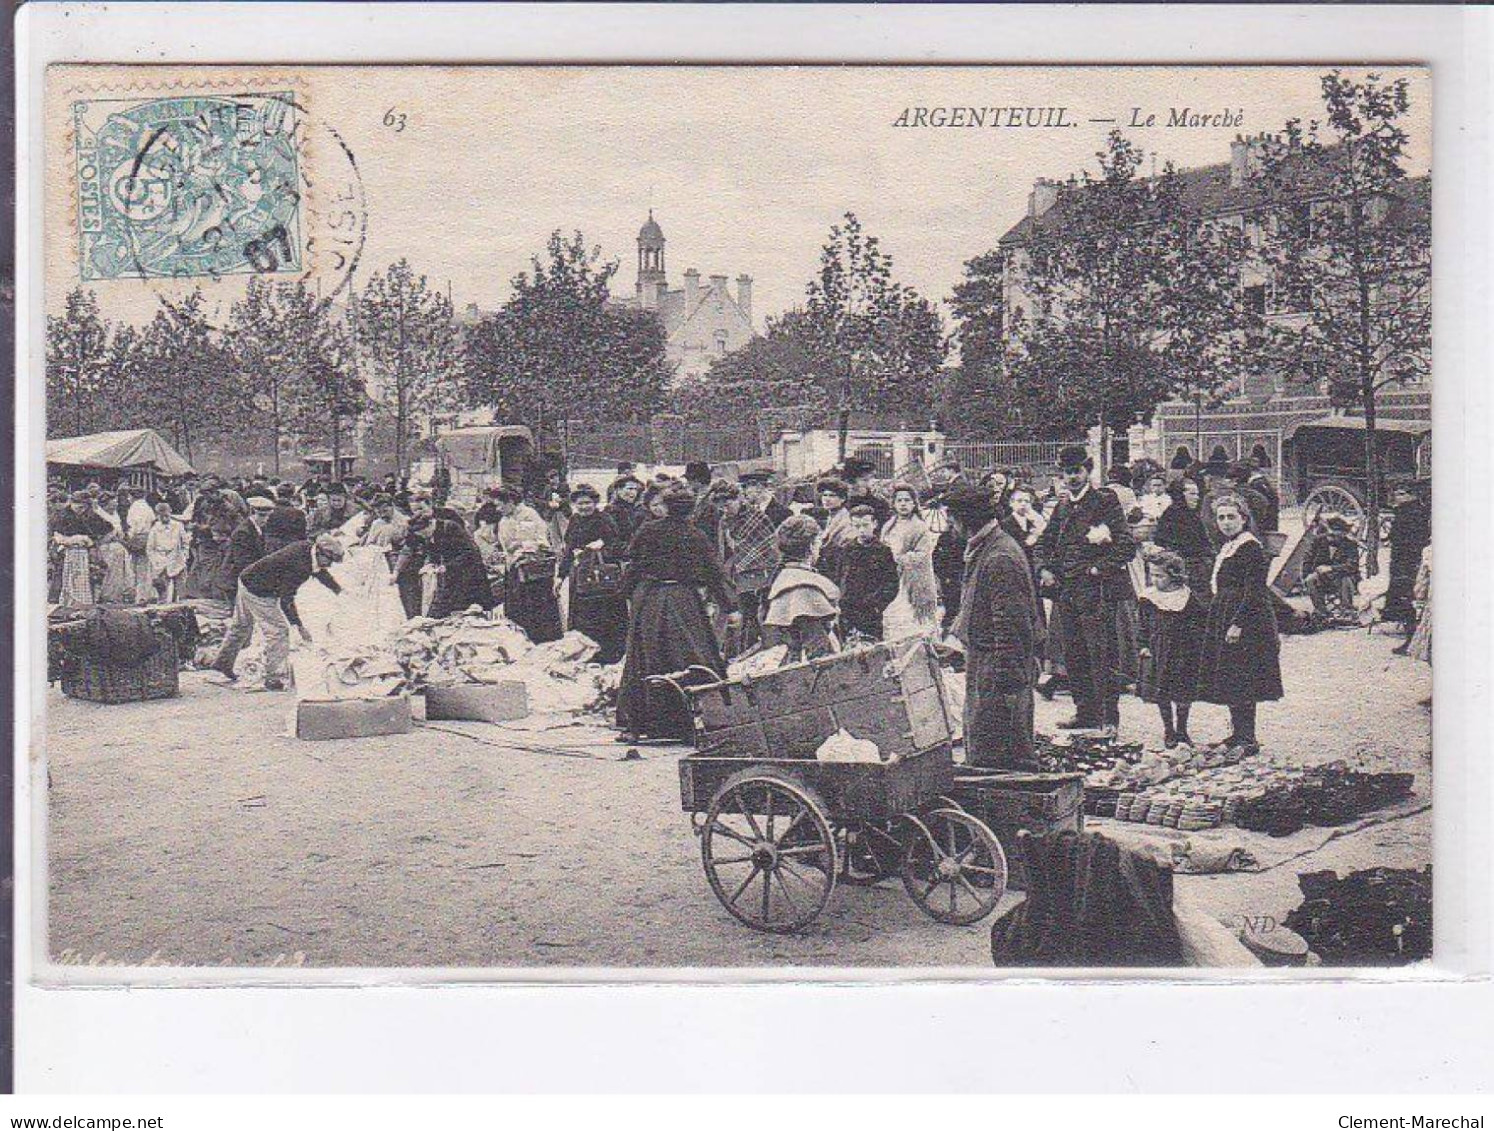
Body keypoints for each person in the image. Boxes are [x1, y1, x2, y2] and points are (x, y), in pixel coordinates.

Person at [616, 482, 736, 742]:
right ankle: (693, 720)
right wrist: (730, 605)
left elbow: (634, 566)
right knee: (692, 655)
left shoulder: (648, 530)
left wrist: (623, 595)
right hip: (683, 600)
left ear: (667, 508)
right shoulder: (695, 535)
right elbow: (713, 572)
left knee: (646, 656)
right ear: (690, 511)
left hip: (650, 599)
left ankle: (643, 722)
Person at [1035, 445, 1135, 738]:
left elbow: (1125, 546)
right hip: (1068, 593)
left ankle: (1109, 718)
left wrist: (1097, 569)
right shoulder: (1063, 507)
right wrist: (1044, 568)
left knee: (1102, 654)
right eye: (1067, 473)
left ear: (1088, 471)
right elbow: (1043, 543)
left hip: (1098, 593)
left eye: (1077, 471)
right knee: (1075, 654)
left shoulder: (1105, 502)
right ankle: (1085, 712)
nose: (1072, 478)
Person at [945, 484, 1041, 769]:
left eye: (952, 520)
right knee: (987, 745)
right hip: (986, 660)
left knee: (998, 751)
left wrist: (1003, 679)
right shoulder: (987, 547)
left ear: (965, 520)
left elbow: (1011, 625)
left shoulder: (999, 556)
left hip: (998, 666)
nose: (950, 526)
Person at [1194, 495, 1282, 754]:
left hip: (1246, 618)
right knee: (1232, 676)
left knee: (1244, 677)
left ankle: (1248, 738)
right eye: (1221, 517)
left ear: (1244, 518)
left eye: (1232, 517)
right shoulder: (1229, 546)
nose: (1226, 522)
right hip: (1227, 611)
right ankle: (1238, 733)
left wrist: (1237, 624)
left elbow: (1254, 591)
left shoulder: (1250, 548)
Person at [209, 534, 346, 691]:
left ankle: (222, 663)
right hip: (258, 591)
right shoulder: (300, 565)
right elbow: (286, 599)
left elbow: (319, 572)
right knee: (278, 631)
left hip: (248, 578)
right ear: (320, 553)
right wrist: (299, 626)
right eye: (329, 561)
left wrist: (339, 590)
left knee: (241, 625)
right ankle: (274, 678)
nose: (329, 566)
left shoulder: (306, 549)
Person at [1135, 546, 1206, 749]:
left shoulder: (1187, 598)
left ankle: (1182, 728)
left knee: (1183, 690)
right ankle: (1169, 730)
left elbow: (1199, 622)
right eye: (1152, 575)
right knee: (1162, 691)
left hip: (1183, 650)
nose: (1155, 580)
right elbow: (1142, 626)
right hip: (1158, 649)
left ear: (1174, 576)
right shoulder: (1148, 599)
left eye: (1160, 576)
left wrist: (1197, 644)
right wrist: (1143, 645)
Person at [556, 483, 627, 663]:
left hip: (602, 579)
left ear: (595, 503)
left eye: (587, 503)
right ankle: (586, 654)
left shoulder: (604, 519)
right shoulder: (574, 521)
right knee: (582, 618)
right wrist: (560, 576)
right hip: (580, 576)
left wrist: (601, 546)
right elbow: (569, 551)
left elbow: (619, 547)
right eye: (580, 504)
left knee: (605, 618)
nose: (584, 507)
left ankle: (609, 655)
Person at [712, 478, 781, 656]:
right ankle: (741, 653)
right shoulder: (724, 522)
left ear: (739, 499)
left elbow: (768, 545)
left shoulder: (757, 517)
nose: (725, 509)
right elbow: (724, 550)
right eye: (721, 506)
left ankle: (767, 651)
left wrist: (742, 560)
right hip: (738, 575)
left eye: (728, 504)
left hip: (762, 574)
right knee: (742, 617)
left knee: (761, 616)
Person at [762, 515, 841, 661]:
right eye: (818, 542)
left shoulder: (784, 578)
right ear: (811, 546)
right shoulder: (803, 587)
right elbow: (819, 648)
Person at [495, 484, 562, 643]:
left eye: (499, 504)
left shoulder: (528, 515)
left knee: (536, 608)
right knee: (516, 607)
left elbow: (535, 541)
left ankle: (540, 641)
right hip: (514, 568)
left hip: (532, 569)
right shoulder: (505, 520)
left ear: (510, 501)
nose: (498, 509)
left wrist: (518, 548)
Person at [833, 504, 901, 644]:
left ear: (874, 524)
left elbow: (892, 583)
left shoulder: (883, 551)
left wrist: (877, 605)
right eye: (857, 526)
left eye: (865, 525)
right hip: (847, 611)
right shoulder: (846, 550)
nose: (861, 530)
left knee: (872, 649)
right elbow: (838, 578)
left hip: (870, 613)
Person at [881, 484, 939, 630]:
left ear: (914, 503)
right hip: (891, 577)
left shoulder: (919, 527)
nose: (903, 504)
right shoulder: (888, 526)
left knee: (914, 622)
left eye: (907, 500)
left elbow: (922, 554)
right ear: (893, 504)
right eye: (899, 501)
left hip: (912, 580)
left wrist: (898, 558)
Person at [1384, 483, 1431, 652]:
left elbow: (1402, 539)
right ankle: (1414, 639)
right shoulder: (1418, 511)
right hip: (1411, 563)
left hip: (1405, 565)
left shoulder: (1406, 513)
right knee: (1413, 602)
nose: (1397, 496)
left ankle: (1411, 640)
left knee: (1407, 602)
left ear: (1411, 495)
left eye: (1401, 493)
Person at [426, 515, 499, 620]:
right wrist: (432, 564)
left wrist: (448, 566)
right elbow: (436, 553)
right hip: (454, 576)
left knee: (473, 610)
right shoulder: (435, 532)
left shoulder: (450, 528)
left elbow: (469, 552)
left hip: (470, 576)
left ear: (429, 525)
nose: (424, 536)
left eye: (424, 533)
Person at [52, 491, 111, 608]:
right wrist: (72, 540)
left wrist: (93, 542)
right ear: (72, 503)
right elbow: (57, 536)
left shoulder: (90, 515)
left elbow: (108, 529)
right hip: (66, 550)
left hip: (85, 552)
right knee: (66, 577)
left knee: (88, 576)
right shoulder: (62, 515)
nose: (80, 509)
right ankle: (65, 602)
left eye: (83, 507)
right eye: (78, 506)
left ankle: (85, 602)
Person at [1303, 516, 1361, 620]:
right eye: (1331, 535)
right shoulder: (1318, 541)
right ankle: (1321, 612)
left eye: (1338, 535)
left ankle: (1347, 611)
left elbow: (1352, 566)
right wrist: (1309, 574)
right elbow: (1307, 560)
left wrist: (1331, 568)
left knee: (1346, 579)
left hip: (1342, 578)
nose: (1333, 537)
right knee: (1310, 579)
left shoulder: (1350, 544)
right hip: (1324, 579)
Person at [216, 495, 273, 602]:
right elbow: (242, 561)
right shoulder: (243, 532)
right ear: (252, 512)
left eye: (268, 516)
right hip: (236, 580)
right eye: (262, 515)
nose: (265, 519)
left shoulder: (259, 528)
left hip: (248, 578)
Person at [145, 501, 191, 603]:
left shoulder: (178, 526)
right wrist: (156, 561)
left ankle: (180, 606)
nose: (164, 518)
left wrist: (184, 556)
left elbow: (185, 543)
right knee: (162, 588)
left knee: (180, 588)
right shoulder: (155, 528)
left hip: (177, 558)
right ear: (157, 516)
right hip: (161, 559)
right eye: (161, 516)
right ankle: (162, 604)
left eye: (166, 515)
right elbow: (150, 548)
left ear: (170, 512)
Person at [812, 477, 853, 578]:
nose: (826, 499)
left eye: (832, 496)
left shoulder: (845, 520)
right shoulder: (831, 516)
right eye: (824, 495)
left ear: (842, 499)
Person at [122, 487, 157, 602]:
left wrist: (129, 537)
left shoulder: (134, 508)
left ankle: (140, 595)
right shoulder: (147, 507)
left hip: (138, 537)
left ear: (131, 496)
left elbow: (134, 526)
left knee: (135, 567)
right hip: (148, 536)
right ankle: (146, 593)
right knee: (145, 567)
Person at [843, 457, 891, 529]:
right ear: (852, 483)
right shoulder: (843, 502)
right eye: (865, 480)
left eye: (871, 478)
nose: (870, 483)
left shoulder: (879, 504)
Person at [605, 475, 648, 548]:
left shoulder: (642, 509)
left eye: (636, 489)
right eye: (630, 489)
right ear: (619, 490)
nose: (633, 492)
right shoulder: (611, 510)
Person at [265, 483, 309, 553]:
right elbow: (302, 536)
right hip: (291, 549)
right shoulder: (298, 513)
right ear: (291, 496)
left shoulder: (269, 511)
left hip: (271, 548)